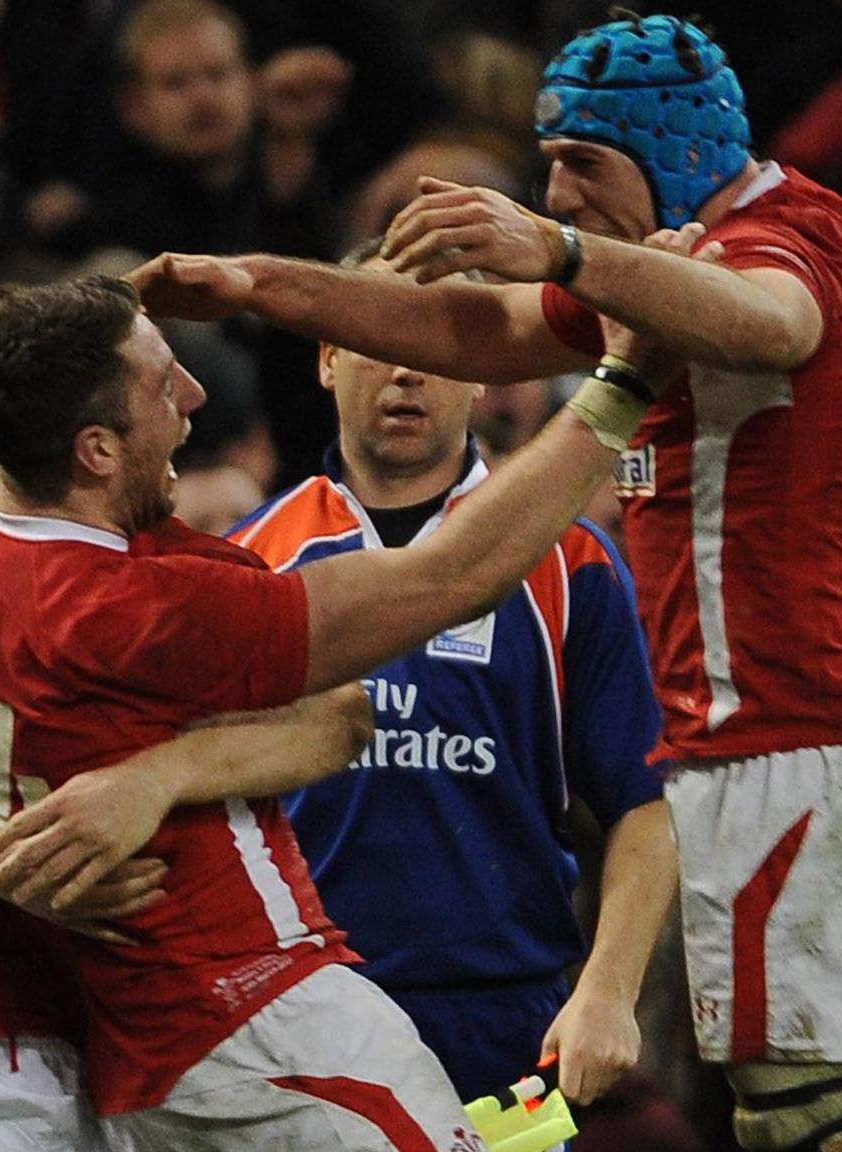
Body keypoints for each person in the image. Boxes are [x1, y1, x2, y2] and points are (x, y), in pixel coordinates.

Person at [138, 13, 842, 1150]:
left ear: (666, 149)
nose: (560, 192)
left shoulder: (781, 234)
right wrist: (258, 284)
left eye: (581, 163)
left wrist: (562, 251)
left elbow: (770, 324)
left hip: (802, 744)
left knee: (824, 1130)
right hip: (810, 744)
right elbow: (467, 325)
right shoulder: (674, 264)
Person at [0, 267, 662, 1150]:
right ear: (95, 445)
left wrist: (152, 778)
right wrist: (626, 377)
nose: (193, 403)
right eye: (164, 386)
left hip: (382, 1022)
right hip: (202, 1021)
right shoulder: (186, 593)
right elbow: (448, 582)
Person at [228, 240, 677, 1105]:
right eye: (375, 342)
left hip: (503, 1019)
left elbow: (646, 802)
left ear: (481, 372)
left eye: (435, 351)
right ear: (326, 357)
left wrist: (610, 988)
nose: (406, 374)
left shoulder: (570, 562)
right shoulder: (245, 564)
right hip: (294, 1014)